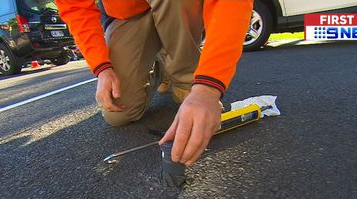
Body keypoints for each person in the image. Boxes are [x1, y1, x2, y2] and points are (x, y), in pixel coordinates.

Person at [55, 0, 253, 166]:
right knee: (118, 113)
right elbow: (74, 7)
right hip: (126, 15)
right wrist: (102, 68)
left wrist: (208, 89)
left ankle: (185, 79)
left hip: (176, 5)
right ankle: (162, 63)